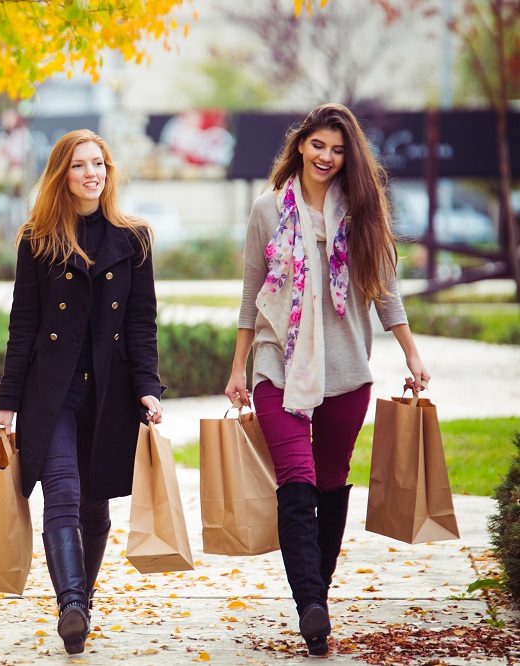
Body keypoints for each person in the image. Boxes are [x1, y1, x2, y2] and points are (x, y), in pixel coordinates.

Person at [223, 103, 430, 657]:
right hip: (276, 362)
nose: (327, 157)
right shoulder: (268, 209)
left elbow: (386, 290)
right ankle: (310, 605)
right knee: (295, 475)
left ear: (348, 157)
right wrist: (238, 367)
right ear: (300, 145)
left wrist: (411, 353)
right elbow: (250, 292)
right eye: (318, 145)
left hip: (345, 365)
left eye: (338, 150)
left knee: (331, 481)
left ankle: (319, 594)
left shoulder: (362, 211)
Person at [0, 129, 164, 655]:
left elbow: (141, 324)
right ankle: (70, 604)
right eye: (80, 165)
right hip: (53, 392)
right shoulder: (37, 241)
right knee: (61, 491)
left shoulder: (134, 239)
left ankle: (80, 602)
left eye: (100, 164)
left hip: (109, 394)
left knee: (94, 507)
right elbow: (23, 327)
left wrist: (149, 389)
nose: (92, 173)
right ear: (61, 175)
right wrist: (7, 403)